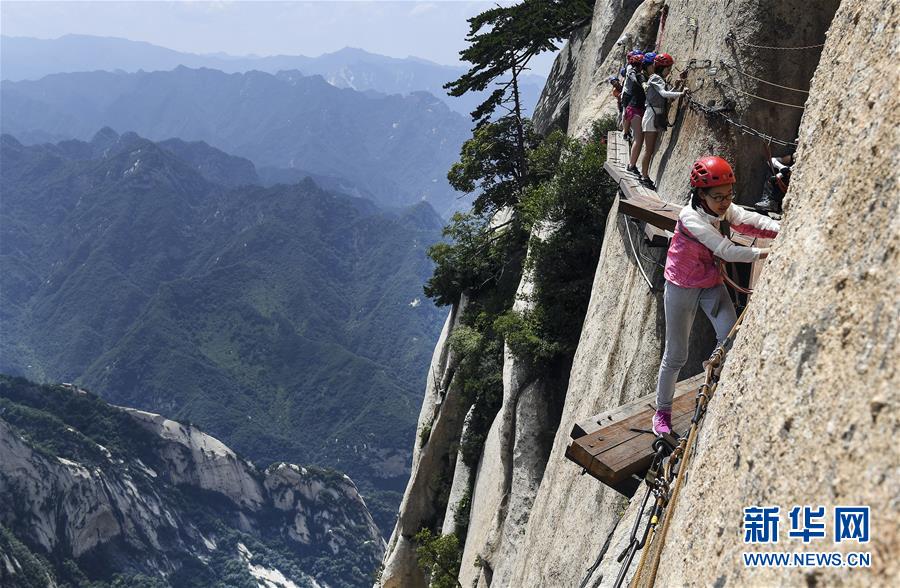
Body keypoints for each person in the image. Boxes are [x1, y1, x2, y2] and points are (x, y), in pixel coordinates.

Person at [652, 156, 781, 436]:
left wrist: (781, 229)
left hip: (710, 282)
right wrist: (766, 251)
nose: (725, 202)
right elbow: (726, 250)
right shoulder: (690, 217)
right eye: (718, 196)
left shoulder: (720, 207)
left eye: (729, 194)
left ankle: (714, 373)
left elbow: (746, 220)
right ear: (701, 194)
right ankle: (662, 412)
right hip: (682, 286)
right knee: (676, 356)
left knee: (730, 337)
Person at [639, 53, 686, 190]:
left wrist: (676, 88)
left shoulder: (657, 78)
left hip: (653, 115)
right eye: (668, 68)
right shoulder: (655, 78)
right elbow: (664, 94)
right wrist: (681, 93)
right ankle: (644, 176)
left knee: (650, 149)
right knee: (648, 150)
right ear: (662, 68)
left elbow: (664, 96)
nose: (669, 71)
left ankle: (644, 175)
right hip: (651, 116)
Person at [624, 52, 651, 169]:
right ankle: (631, 165)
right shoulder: (637, 75)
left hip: (634, 109)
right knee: (638, 139)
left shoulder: (638, 74)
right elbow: (634, 78)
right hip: (635, 109)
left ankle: (632, 164)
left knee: (638, 139)